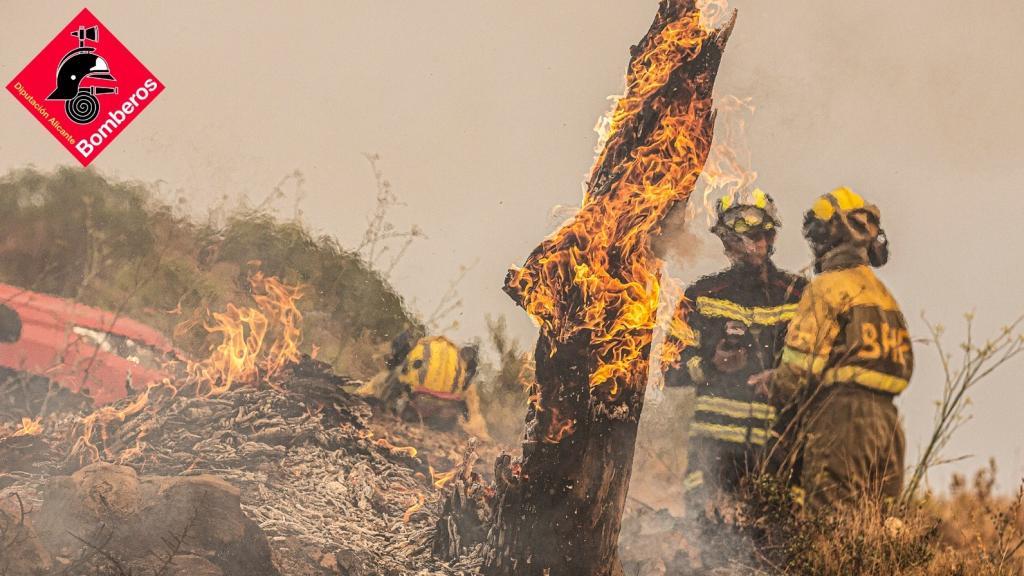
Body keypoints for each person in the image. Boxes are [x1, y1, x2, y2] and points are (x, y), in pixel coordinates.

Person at [754, 187, 913, 511]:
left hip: (842, 419)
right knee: (877, 526)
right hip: (889, 425)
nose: (815, 246)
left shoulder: (827, 287)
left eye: (817, 235)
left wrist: (773, 384)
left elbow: (799, 368)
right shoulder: (883, 295)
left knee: (831, 518)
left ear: (831, 235)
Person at [664, 189, 806, 513]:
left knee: (776, 546)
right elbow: (668, 369)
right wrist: (712, 365)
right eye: (738, 238)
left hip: (778, 449)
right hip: (711, 452)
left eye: (758, 236)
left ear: (770, 238)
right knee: (704, 544)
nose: (750, 247)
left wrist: (785, 378)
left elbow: (825, 364)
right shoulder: (700, 296)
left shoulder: (797, 296)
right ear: (725, 242)